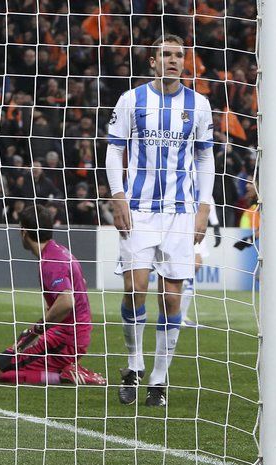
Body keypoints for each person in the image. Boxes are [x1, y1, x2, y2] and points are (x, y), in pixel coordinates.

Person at [105, 34, 215, 407]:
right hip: (138, 209)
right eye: (165, 55)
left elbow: (205, 158)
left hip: (181, 212)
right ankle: (133, 365)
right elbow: (114, 149)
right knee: (135, 288)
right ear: (152, 61)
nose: (173, 60)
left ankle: (159, 379)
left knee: (171, 297)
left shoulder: (199, 105)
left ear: (185, 61)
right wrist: (118, 195)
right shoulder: (131, 100)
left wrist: (204, 207)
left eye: (178, 55)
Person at [0, 205, 105, 386]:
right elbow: (80, 286)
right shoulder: (59, 251)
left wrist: (37, 329)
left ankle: (65, 376)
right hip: (68, 333)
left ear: (24, 232)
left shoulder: (51, 262)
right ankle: (63, 370)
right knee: (8, 363)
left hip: (65, 338)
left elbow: (67, 301)